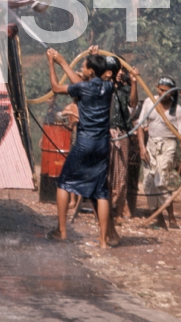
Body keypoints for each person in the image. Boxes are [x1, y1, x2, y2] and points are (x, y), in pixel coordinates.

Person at [46, 47, 119, 248]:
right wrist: (64, 62)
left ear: (90, 72)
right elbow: (83, 82)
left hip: (84, 143)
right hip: (102, 144)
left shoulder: (83, 88)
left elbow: (55, 87)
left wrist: (52, 63)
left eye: (84, 67)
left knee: (63, 183)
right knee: (101, 191)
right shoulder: (109, 87)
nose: (81, 69)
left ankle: (61, 232)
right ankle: (103, 241)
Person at [137, 76, 181, 229]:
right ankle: (159, 218)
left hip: (168, 145)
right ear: (157, 88)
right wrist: (142, 147)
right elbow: (140, 125)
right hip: (151, 143)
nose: (163, 93)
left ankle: (171, 217)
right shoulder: (149, 102)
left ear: (172, 93)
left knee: (161, 180)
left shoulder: (178, 111)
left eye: (167, 91)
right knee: (149, 182)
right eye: (161, 90)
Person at [108, 62, 139, 221]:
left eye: (122, 70)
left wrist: (134, 83)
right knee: (106, 174)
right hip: (106, 133)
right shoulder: (104, 87)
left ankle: (117, 211)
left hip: (122, 133)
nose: (120, 73)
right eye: (116, 70)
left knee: (121, 176)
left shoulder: (126, 89)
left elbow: (133, 104)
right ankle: (105, 211)